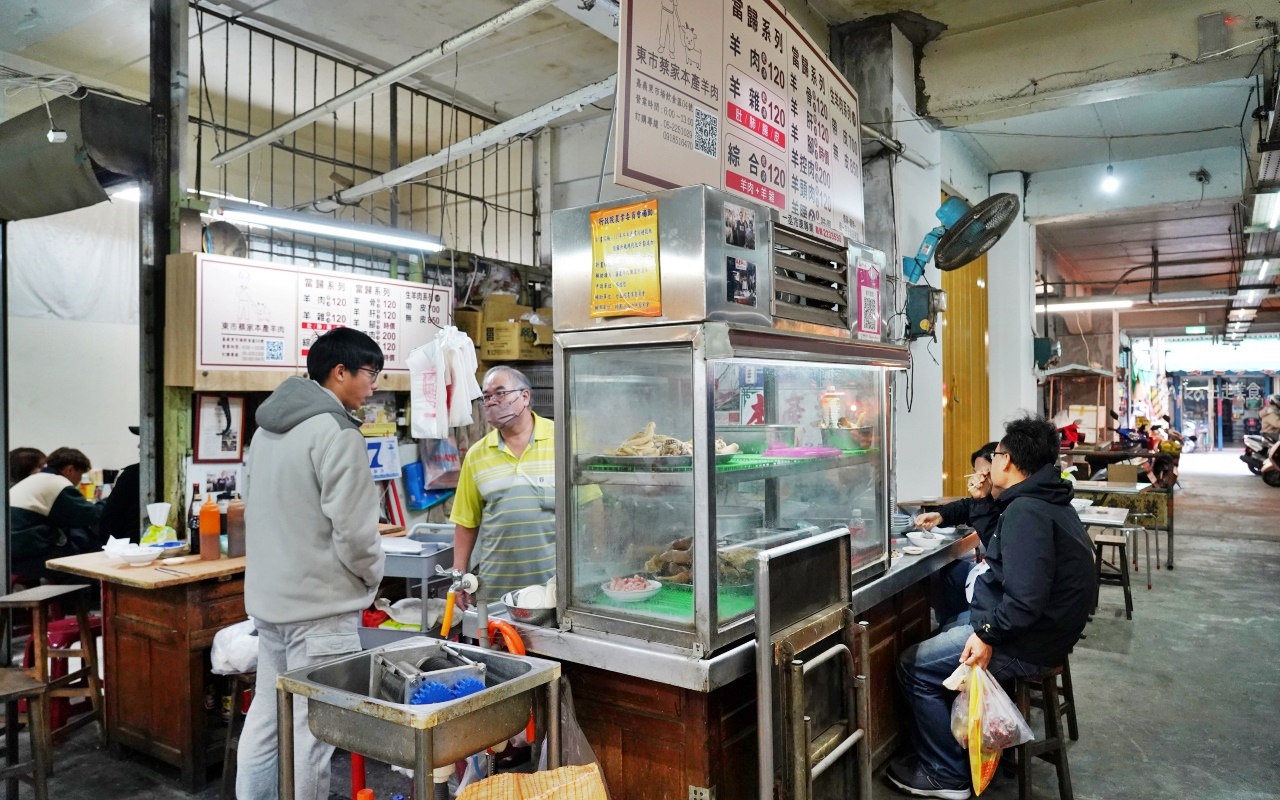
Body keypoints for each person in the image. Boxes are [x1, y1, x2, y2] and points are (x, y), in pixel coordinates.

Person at [889, 415, 1095, 800]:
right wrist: (981, 501)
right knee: (949, 624)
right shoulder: (1040, 498)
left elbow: (1026, 601)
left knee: (912, 666)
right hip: (1035, 628)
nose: (991, 463)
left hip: (1027, 640)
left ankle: (946, 774)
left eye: (996, 453)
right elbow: (1002, 548)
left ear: (1009, 462)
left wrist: (987, 637)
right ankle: (947, 749)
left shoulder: (1027, 512)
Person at [236, 327, 386, 800]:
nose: (373, 385)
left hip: (271, 605)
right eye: (370, 374)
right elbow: (356, 531)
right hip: (320, 609)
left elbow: (252, 503)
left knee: (266, 719)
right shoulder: (337, 431)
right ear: (339, 372)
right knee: (312, 730)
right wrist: (371, 577)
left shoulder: (266, 429)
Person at [450, 366, 559, 606]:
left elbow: (590, 507)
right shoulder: (477, 455)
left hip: (554, 586)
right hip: (496, 589)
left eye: (500, 393)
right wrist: (458, 575)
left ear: (525, 397)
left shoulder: (561, 439)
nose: (492, 402)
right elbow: (466, 521)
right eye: (487, 397)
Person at [915, 443, 1000, 626]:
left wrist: (993, 557)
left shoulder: (1013, 500)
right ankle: (950, 624)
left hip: (998, 600)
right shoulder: (990, 497)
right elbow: (966, 507)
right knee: (951, 572)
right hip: (991, 577)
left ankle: (961, 627)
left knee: (915, 656)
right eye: (976, 473)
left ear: (1001, 468)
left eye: (984, 473)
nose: (979, 478)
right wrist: (939, 515)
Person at [9, 447, 103, 581]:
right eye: (80, 475)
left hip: (13, 550)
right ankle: (80, 598)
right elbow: (89, 516)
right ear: (69, 470)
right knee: (86, 557)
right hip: (29, 551)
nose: (78, 481)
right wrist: (108, 502)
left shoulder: (35, 479)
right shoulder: (57, 483)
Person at [97, 426, 141, 541]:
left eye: (143, 441)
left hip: (130, 548)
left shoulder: (133, 474)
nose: (139, 446)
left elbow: (109, 519)